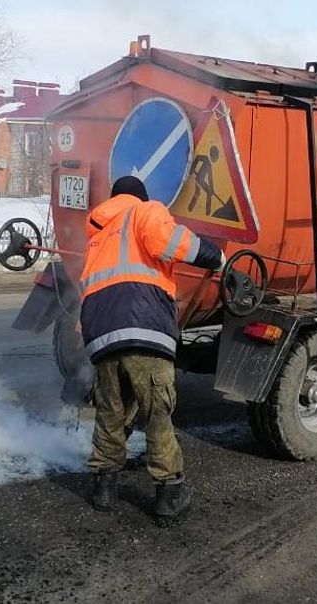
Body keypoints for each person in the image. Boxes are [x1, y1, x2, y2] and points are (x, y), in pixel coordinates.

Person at [81, 175, 224, 519]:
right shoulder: (143, 211)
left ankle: (104, 487)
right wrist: (216, 256)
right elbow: (175, 243)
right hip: (143, 324)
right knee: (157, 410)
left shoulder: (98, 236)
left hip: (100, 333)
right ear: (139, 197)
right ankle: (169, 493)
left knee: (111, 409)